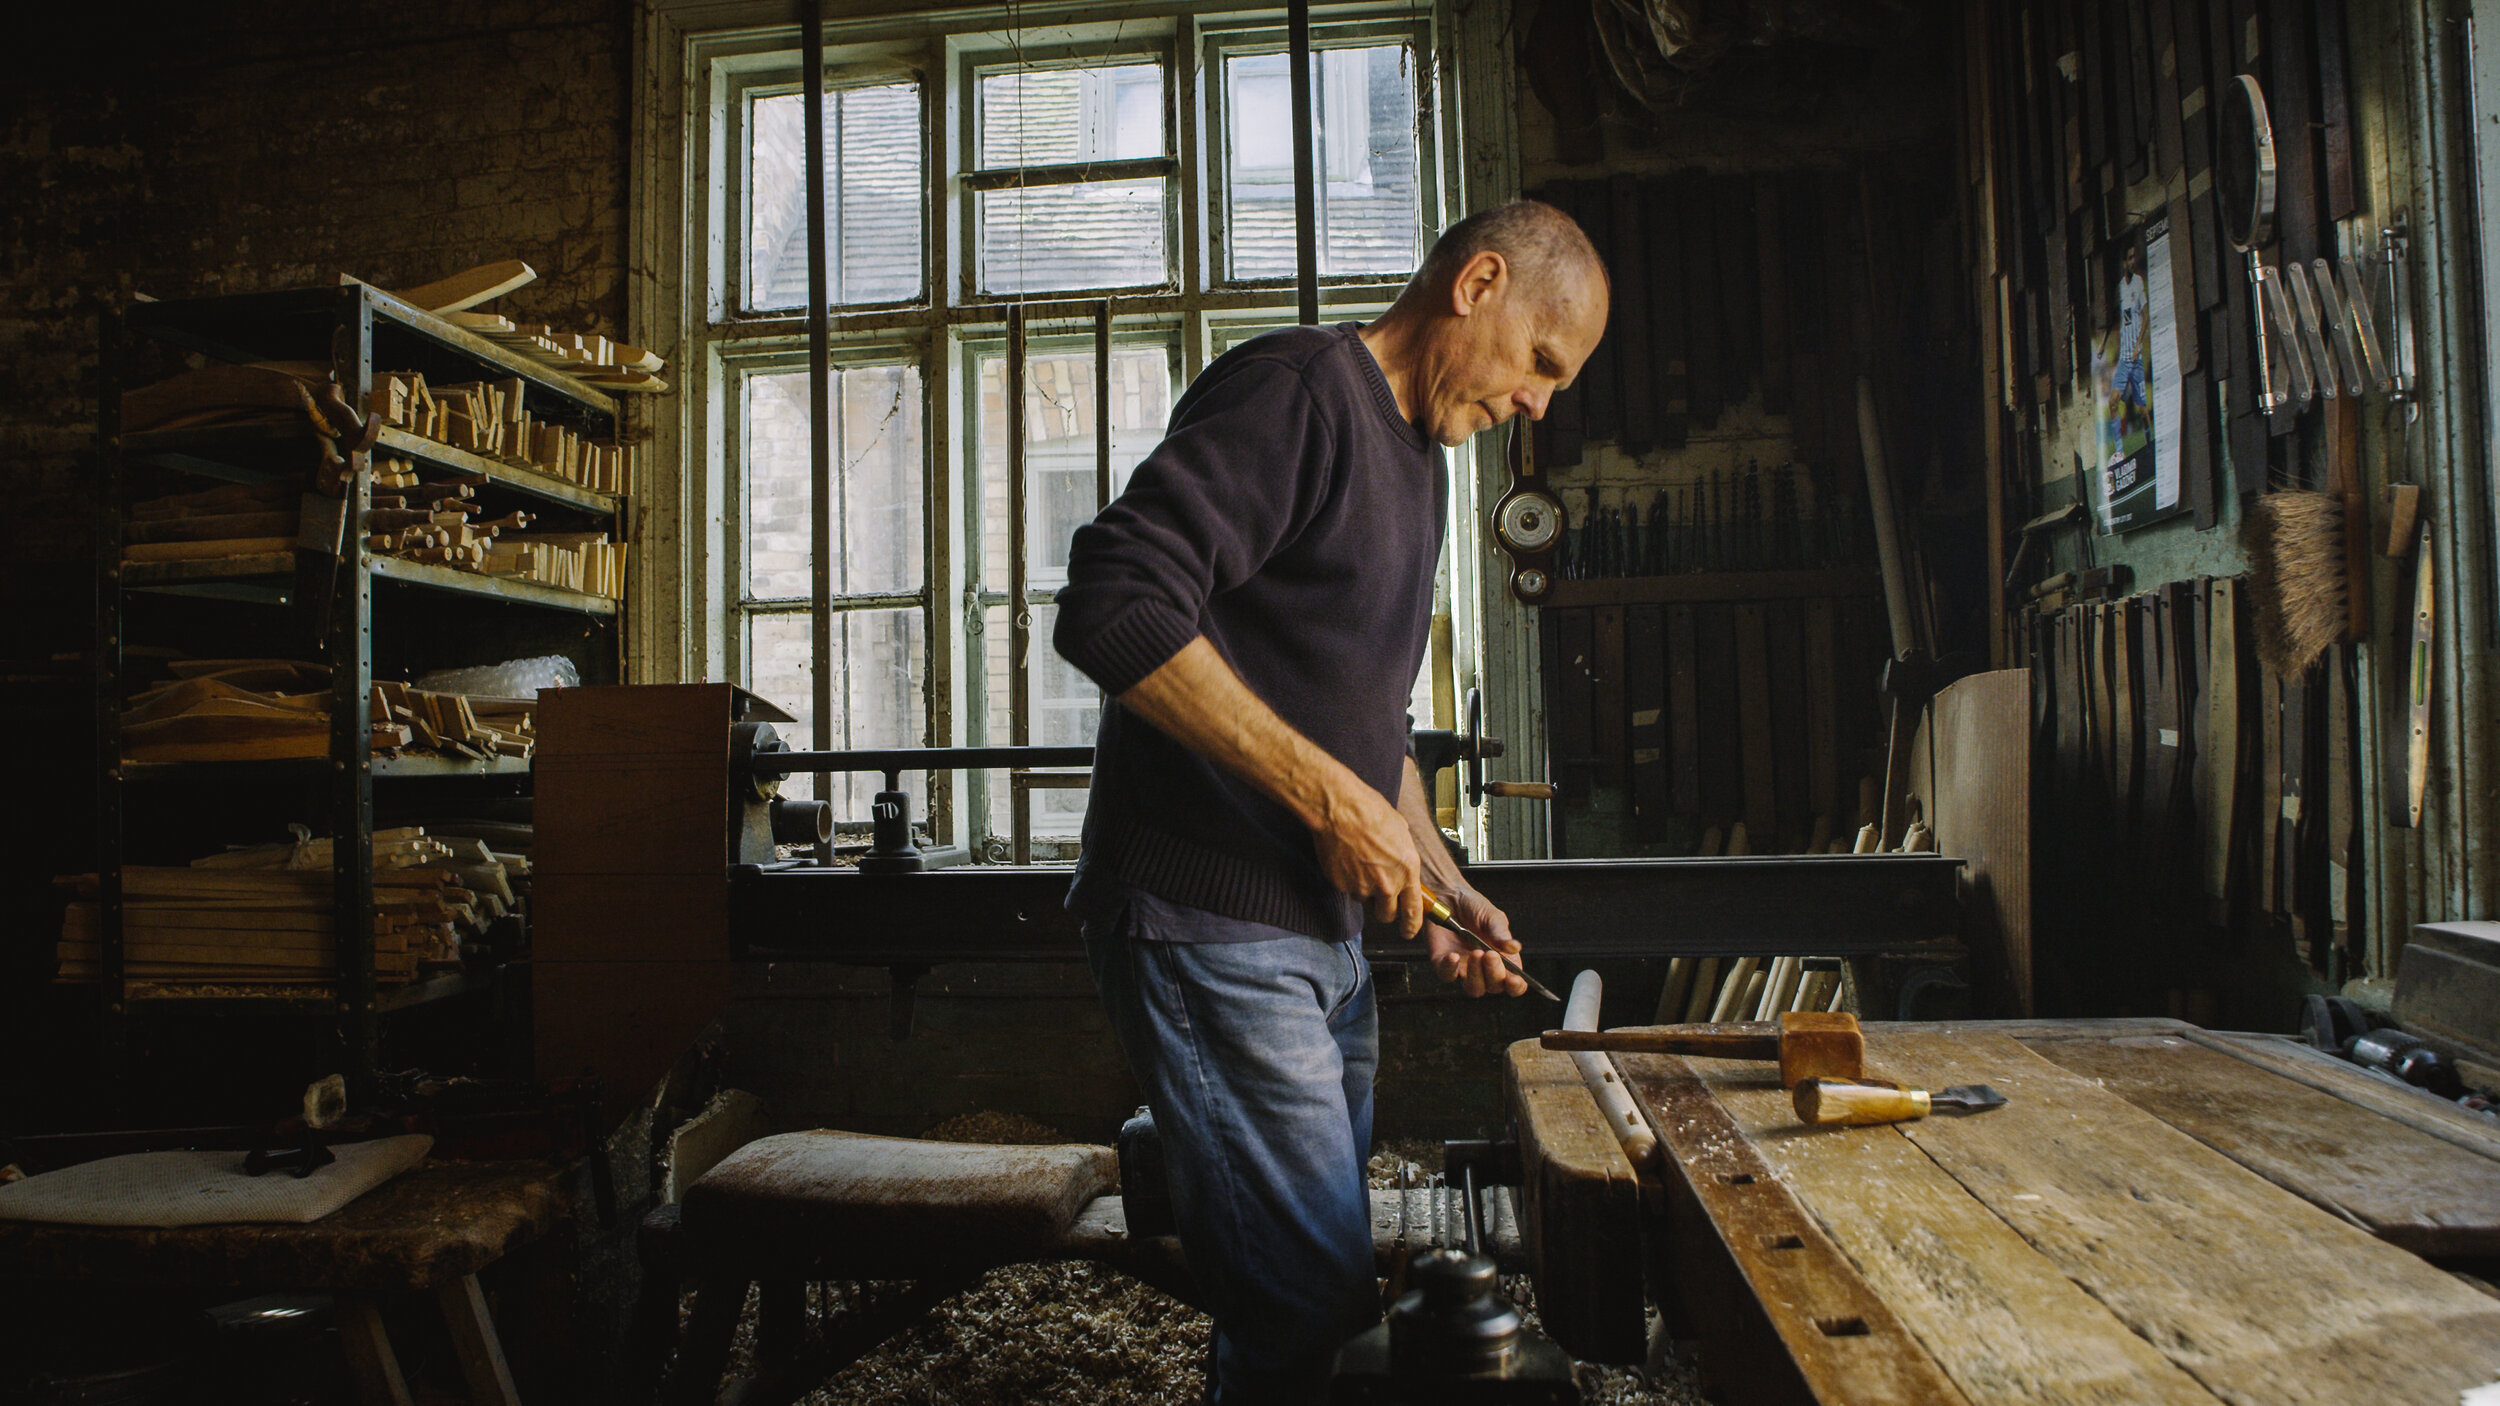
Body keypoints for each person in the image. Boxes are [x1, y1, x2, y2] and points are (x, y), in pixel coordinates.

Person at [1051, 199, 1608, 1404]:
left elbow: (1365, 723)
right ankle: (1188, 1152)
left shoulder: (1419, 464)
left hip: (1325, 943)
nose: (1538, 404)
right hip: (1212, 926)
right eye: (1541, 362)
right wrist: (1323, 800)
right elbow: (1109, 600)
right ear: (1478, 284)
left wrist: (1444, 877)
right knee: (1313, 1312)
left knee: (1290, 1293)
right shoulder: (1297, 392)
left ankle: (1194, 1164)